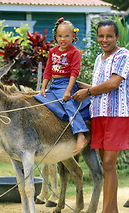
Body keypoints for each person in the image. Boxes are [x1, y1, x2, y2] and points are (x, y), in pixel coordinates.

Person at [73, 19, 129, 213]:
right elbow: (99, 85)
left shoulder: (124, 55)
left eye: (109, 36)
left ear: (117, 37)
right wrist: (72, 83)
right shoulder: (100, 59)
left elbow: (113, 83)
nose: (105, 40)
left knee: (108, 163)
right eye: (101, 36)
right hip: (98, 114)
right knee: (106, 165)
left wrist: (88, 91)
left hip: (118, 114)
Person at [33, 17, 89, 153]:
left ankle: (81, 133)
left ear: (73, 36)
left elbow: (74, 74)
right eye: (59, 36)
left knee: (68, 104)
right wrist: (42, 88)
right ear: (55, 37)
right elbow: (47, 71)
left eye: (66, 36)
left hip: (66, 83)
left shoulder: (74, 52)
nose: (62, 39)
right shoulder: (53, 51)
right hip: (53, 84)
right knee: (38, 99)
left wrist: (68, 91)